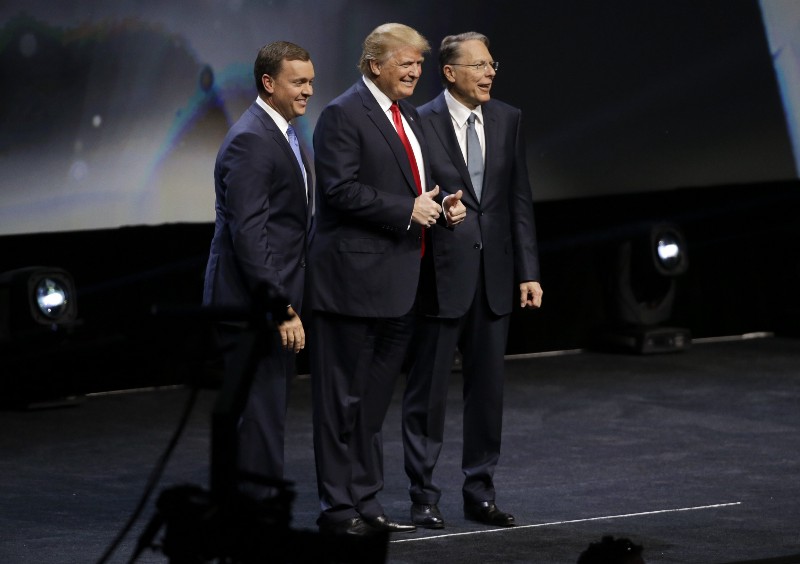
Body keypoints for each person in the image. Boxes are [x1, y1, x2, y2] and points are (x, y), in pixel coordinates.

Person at [308, 22, 466, 537]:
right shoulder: (342, 114)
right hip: (351, 283)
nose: (416, 72)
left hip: (400, 282)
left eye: (419, 64)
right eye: (406, 63)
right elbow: (338, 190)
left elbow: (414, 186)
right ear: (375, 64)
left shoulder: (411, 116)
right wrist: (407, 209)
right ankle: (337, 509)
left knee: (372, 405)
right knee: (341, 404)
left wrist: (441, 205)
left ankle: (366, 500)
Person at [402, 31, 543, 529]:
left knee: (488, 393)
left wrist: (529, 271)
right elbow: (413, 192)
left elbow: (517, 199)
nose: (489, 73)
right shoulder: (420, 120)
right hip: (440, 276)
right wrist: (440, 209)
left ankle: (479, 492)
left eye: (492, 65)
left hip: (496, 278)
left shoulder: (508, 118)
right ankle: (423, 494)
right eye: (479, 65)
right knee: (429, 393)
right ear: (449, 72)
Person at [202, 41, 315, 499]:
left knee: (266, 415)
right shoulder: (251, 139)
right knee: (260, 418)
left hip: (269, 302)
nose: (309, 90)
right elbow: (250, 237)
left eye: (310, 80)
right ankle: (252, 523)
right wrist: (281, 307)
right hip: (253, 307)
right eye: (299, 82)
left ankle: (253, 515)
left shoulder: (283, 132)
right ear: (268, 84)